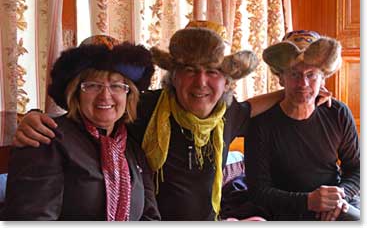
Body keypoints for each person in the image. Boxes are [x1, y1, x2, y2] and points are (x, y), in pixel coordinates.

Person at [11, 22, 331, 220]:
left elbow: (263, 102)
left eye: (213, 71)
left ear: (227, 81)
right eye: (190, 69)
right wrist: (33, 117)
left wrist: (306, 91)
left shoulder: (228, 115)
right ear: (173, 76)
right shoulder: (145, 110)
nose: (201, 82)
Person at [2, 35, 160, 221]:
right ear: (75, 92)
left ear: (129, 95)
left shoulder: (132, 148)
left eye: (116, 86)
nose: (105, 96)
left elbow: (149, 216)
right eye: (93, 85)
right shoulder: (45, 139)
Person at [245, 30, 360, 221]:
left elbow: (356, 168)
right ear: (280, 78)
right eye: (294, 74)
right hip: (282, 209)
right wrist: (308, 201)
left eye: (311, 75)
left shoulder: (338, 113)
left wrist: (339, 196)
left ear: (323, 78)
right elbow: (259, 191)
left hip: (334, 206)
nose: (303, 83)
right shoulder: (261, 122)